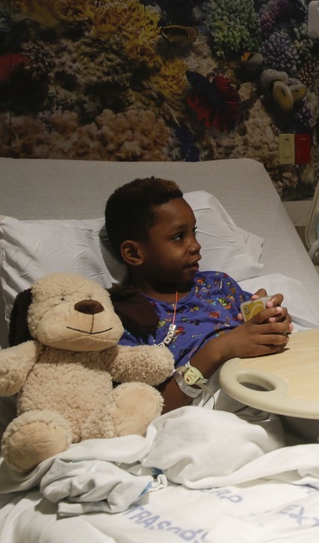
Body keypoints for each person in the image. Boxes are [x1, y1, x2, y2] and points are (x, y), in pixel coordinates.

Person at [104, 177, 293, 413]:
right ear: (133, 253)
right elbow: (146, 412)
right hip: (204, 412)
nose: (195, 246)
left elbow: (259, 333)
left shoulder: (218, 285)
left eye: (193, 232)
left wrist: (273, 322)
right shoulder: (122, 320)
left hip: (273, 386)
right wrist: (217, 350)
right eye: (178, 237)